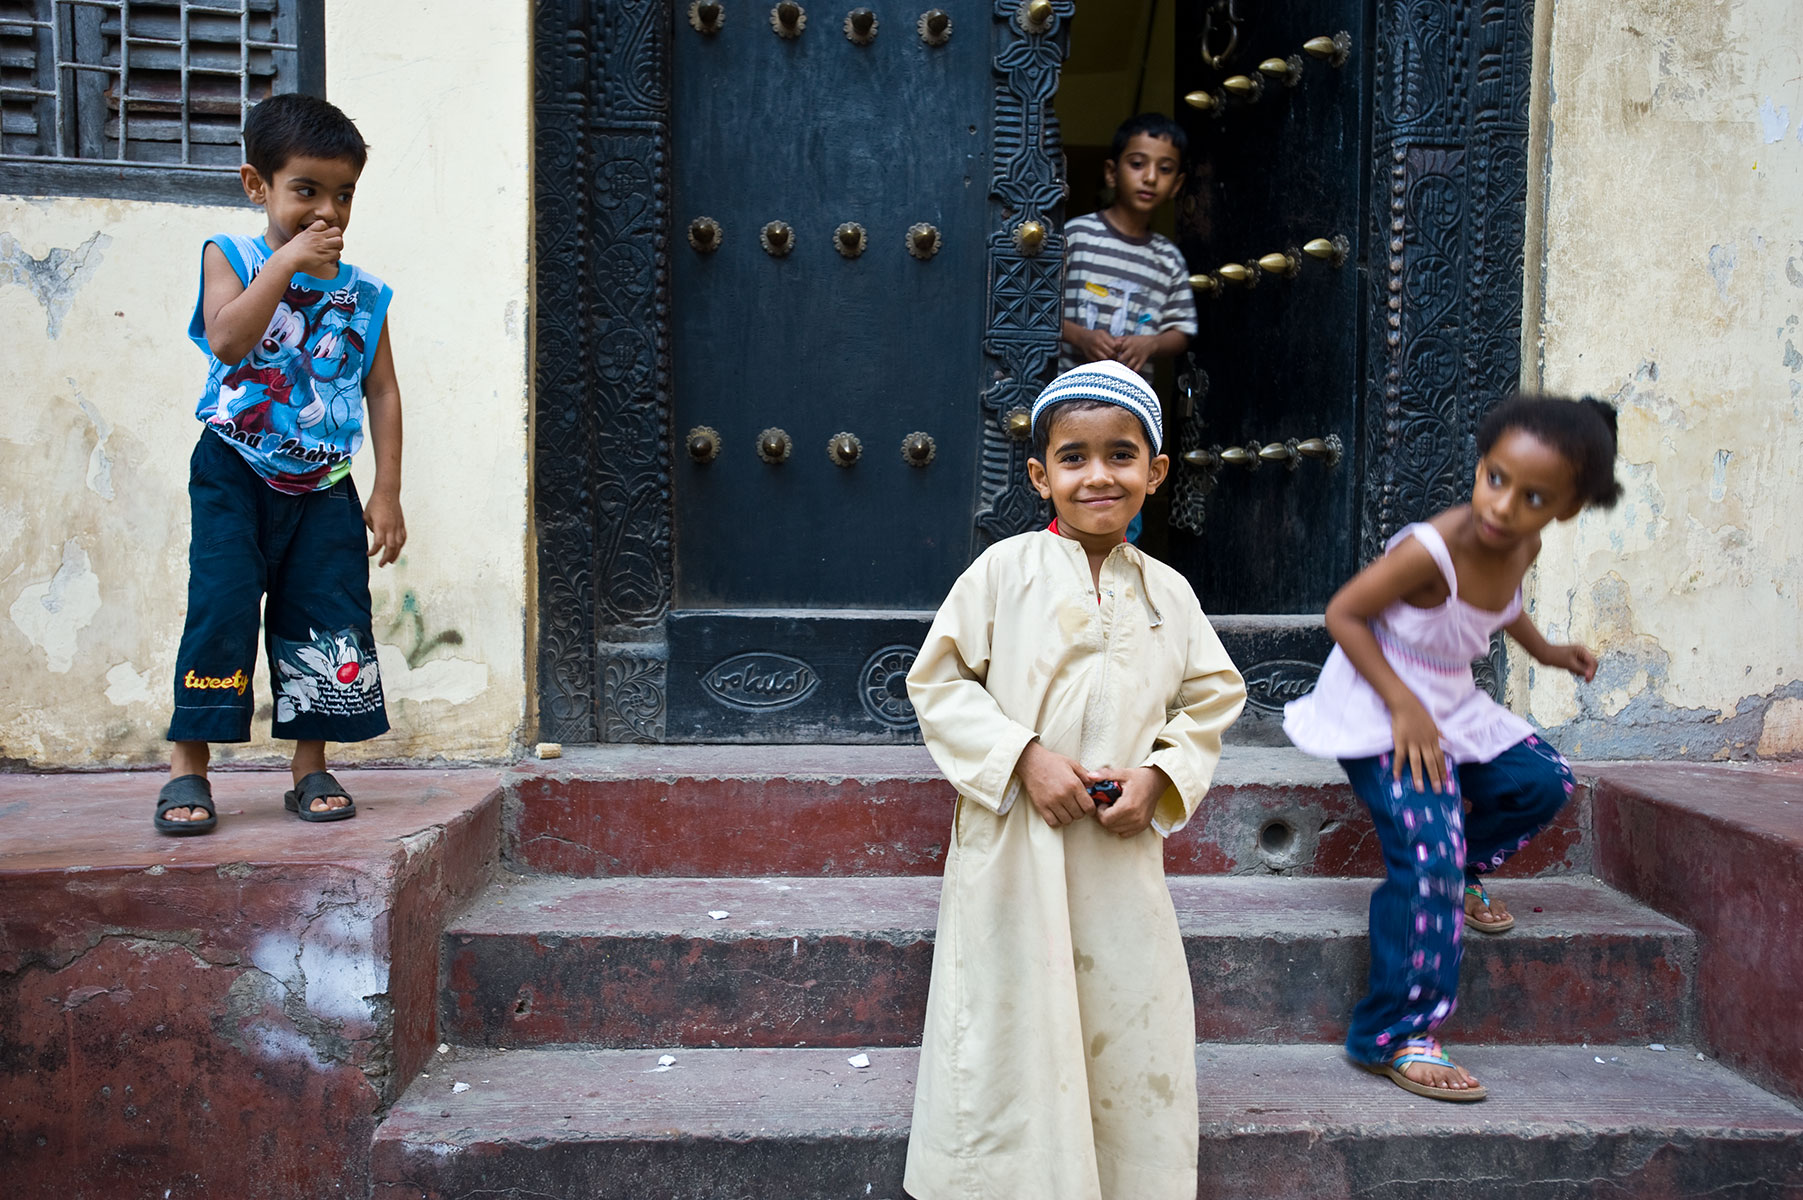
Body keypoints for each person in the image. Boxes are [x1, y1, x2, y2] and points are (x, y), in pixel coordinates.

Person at [902, 361, 1246, 1199]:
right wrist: (1023, 756)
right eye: (1074, 458)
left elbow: (1210, 697)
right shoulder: (1000, 574)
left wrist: (1159, 776)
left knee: (1125, 1019)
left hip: (1117, 850)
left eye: (1121, 455)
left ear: (1156, 472)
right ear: (1039, 474)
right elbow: (938, 684)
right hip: (1016, 842)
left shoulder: (1168, 591)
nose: (1098, 476)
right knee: (1008, 1016)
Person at [1283, 394, 1624, 1101]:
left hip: (1447, 698)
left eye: (1530, 496)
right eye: (1493, 478)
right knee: (1425, 862)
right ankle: (1392, 1032)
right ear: (1479, 465)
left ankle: (1462, 868)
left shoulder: (1518, 543)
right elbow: (1343, 614)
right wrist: (1403, 706)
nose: (1501, 506)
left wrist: (1550, 651)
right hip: (1381, 705)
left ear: (1562, 510)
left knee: (1543, 781)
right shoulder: (1432, 551)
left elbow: (1505, 608)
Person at [155, 93, 405, 835]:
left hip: (324, 484)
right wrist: (288, 264)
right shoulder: (229, 256)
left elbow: (382, 389)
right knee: (223, 606)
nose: (326, 209)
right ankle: (187, 767)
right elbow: (229, 341)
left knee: (326, 618)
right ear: (256, 186)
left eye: (343, 193)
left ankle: (309, 765)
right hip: (234, 470)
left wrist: (385, 491)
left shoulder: (364, 294)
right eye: (306, 190)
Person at [1058, 112, 1197, 383]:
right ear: (1111, 173)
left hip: (1129, 397)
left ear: (1176, 186)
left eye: (1165, 169)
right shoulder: (1077, 235)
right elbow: (1038, 306)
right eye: (1137, 164)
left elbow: (1181, 331)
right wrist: (1081, 337)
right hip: (1067, 391)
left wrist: (1151, 344)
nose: (1151, 177)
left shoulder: (1168, 258)